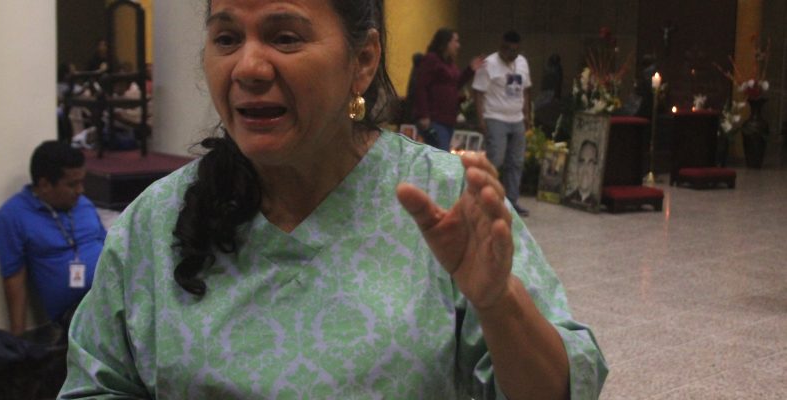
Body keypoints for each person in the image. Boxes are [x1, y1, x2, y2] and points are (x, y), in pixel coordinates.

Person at [59, 1, 607, 399]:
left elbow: (561, 390)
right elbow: (95, 383)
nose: (248, 67)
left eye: (285, 37)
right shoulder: (156, 222)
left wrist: (498, 301)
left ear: (363, 60)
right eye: (226, 39)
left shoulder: (442, 199)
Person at [0, 141, 106, 336]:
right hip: (78, 309)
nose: (81, 190)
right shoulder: (12, 216)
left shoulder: (83, 204)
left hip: (113, 291)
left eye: (82, 182)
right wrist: (17, 340)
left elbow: (109, 247)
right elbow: (14, 279)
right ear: (44, 185)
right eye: (72, 184)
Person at [473, 30, 532, 216]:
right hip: (495, 117)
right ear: (501, 46)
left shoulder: (522, 63)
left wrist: (527, 114)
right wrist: (481, 120)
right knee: (495, 159)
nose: (510, 54)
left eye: (514, 51)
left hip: (517, 119)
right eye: (506, 49)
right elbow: (478, 93)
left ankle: (511, 202)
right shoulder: (489, 64)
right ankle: (482, 198)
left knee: (516, 162)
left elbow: (526, 91)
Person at [412, 28, 482, 151]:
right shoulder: (431, 59)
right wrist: (423, 115)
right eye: (455, 41)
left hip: (448, 119)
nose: (458, 46)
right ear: (446, 43)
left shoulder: (450, 63)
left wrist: (470, 70)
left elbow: (455, 84)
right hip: (434, 118)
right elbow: (421, 87)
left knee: (442, 153)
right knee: (439, 154)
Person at [564, 139, 600, 207]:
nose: (585, 170)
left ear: (596, 170)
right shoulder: (565, 201)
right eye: (582, 162)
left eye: (590, 163)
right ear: (577, 168)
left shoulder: (597, 206)